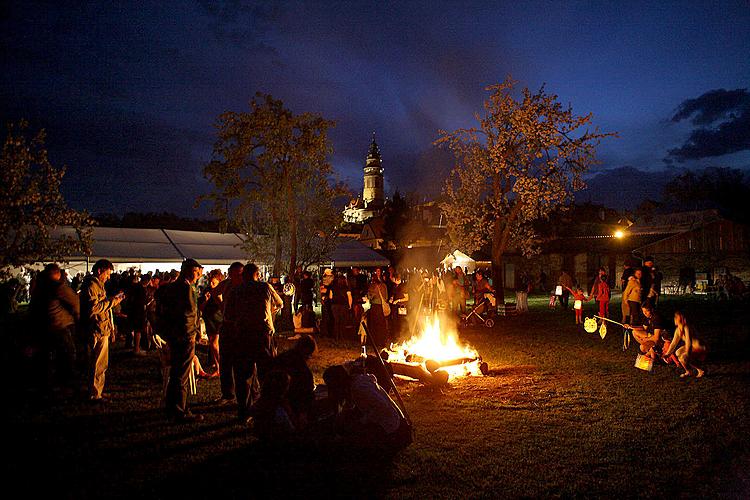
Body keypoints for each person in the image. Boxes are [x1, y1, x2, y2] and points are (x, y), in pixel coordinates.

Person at [223, 262, 284, 424]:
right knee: (267, 372)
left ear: (244, 275)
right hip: (263, 334)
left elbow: (227, 315)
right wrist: (269, 312)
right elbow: (280, 303)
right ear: (257, 274)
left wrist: (239, 319)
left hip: (243, 335)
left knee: (244, 374)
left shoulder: (236, 291)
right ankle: (268, 406)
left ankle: (244, 411)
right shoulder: (265, 287)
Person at [158, 258, 204, 422]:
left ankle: (172, 406)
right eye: (198, 271)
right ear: (192, 271)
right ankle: (179, 410)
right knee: (181, 374)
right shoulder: (186, 288)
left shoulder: (172, 287)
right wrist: (192, 334)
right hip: (184, 336)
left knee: (177, 372)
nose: (200, 274)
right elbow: (189, 314)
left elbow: (164, 311)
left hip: (173, 335)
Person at [323, 364, 411, 450]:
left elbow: (380, 406)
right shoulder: (356, 384)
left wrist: (362, 422)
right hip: (389, 423)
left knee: (352, 441)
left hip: (390, 427)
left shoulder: (359, 388)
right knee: (351, 422)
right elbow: (348, 408)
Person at [29, 263, 80, 398]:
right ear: (57, 274)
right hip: (59, 325)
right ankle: (65, 385)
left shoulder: (39, 286)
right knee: (67, 355)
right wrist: (75, 315)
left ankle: (47, 384)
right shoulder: (57, 287)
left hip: (44, 325)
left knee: (47, 357)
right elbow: (75, 302)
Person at [80, 259, 123, 403]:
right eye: (107, 273)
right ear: (100, 271)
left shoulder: (98, 285)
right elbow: (94, 308)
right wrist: (113, 302)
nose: (108, 277)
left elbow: (100, 305)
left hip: (100, 327)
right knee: (97, 362)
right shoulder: (92, 285)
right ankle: (94, 393)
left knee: (100, 363)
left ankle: (97, 390)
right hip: (96, 329)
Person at [216, 261, 244, 406]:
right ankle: (228, 393)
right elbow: (215, 293)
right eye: (236, 274)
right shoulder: (227, 284)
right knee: (225, 361)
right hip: (227, 325)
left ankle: (243, 394)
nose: (238, 276)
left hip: (240, 327)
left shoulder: (245, 286)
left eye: (240, 274)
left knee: (241, 363)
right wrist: (222, 307)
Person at [273, 334, 316, 429]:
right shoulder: (303, 370)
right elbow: (307, 393)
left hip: (274, 398)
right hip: (290, 401)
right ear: (308, 352)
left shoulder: (282, 358)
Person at [250, 370, 296, 442]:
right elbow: (290, 429)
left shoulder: (260, 403)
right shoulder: (279, 410)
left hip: (262, 436)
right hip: (278, 440)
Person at [662, 311, 705, 378]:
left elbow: (688, 341)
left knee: (683, 358)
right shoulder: (678, 329)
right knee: (677, 352)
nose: (675, 319)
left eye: (676, 317)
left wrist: (687, 353)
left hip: (699, 347)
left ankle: (700, 370)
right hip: (691, 346)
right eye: (675, 317)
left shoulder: (686, 327)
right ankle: (688, 371)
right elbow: (674, 343)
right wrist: (667, 354)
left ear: (682, 319)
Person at [198, 269, 224, 374]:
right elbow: (201, 307)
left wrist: (218, 298)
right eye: (210, 282)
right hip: (209, 320)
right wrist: (206, 300)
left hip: (218, 320)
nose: (211, 285)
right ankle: (217, 365)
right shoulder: (207, 291)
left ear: (219, 281)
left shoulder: (221, 291)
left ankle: (220, 367)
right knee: (212, 345)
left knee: (215, 344)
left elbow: (222, 306)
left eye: (214, 283)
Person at [367, 271, 390, 348]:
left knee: (374, 325)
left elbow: (370, 297)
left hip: (375, 307)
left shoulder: (372, 286)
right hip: (382, 307)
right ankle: (382, 341)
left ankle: (374, 341)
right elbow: (386, 297)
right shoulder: (384, 286)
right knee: (381, 325)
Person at [329, 273, 352, 340]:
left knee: (336, 321)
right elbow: (349, 297)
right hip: (343, 305)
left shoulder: (333, 287)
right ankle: (342, 336)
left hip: (335, 305)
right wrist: (350, 306)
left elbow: (330, 297)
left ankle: (336, 336)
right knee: (342, 321)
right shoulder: (346, 288)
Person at [389, 273, 409, 341]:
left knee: (401, 322)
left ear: (396, 279)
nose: (391, 279)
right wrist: (391, 299)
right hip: (395, 307)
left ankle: (402, 337)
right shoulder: (394, 286)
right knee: (395, 322)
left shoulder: (403, 286)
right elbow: (393, 294)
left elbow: (407, 298)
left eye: (392, 278)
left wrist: (398, 300)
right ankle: (396, 337)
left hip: (401, 307)